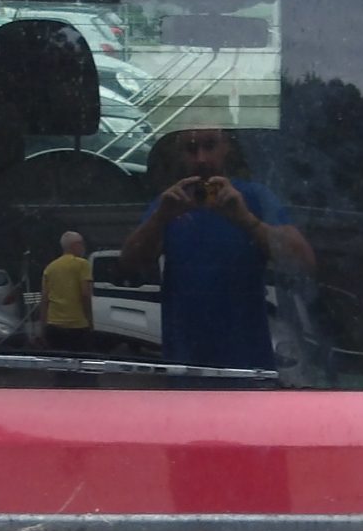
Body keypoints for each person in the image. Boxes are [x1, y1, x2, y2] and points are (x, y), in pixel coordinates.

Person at [118, 125, 314, 371]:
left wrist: (246, 220)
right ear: (180, 155)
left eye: (210, 146)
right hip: (185, 369)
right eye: (191, 149)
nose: (201, 158)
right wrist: (160, 219)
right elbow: (129, 264)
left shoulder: (252, 198)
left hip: (248, 369)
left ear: (226, 148)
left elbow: (303, 262)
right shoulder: (170, 203)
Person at [39, 230, 95, 352]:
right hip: (77, 326)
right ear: (75, 245)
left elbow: (44, 299)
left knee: (58, 361)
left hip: (54, 326)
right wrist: (90, 321)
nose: (83, 247)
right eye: (82, 244)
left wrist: (43, 327)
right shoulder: (82, 264)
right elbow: (85, 294)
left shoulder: (50, 267)